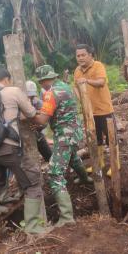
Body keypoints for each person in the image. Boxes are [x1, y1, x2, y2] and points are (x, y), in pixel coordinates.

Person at [0, 68, 51, 235]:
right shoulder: (13, 90)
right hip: (7, 148)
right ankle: (34, 228)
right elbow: (31, 113)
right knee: (32, 182)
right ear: (7, 79)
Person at [34, 65, 91, 227]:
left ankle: (67, 217)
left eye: (41, 81)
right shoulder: (64, 86)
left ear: (45, 79)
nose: (41, 85)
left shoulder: (51, 94)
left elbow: (42, 120)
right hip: (74, 132)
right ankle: (85, 178)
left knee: (54, 172)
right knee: (73, 157)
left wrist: (29, 116)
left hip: (64, 135)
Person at [74, 44, 119, 177]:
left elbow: (101, 82)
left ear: (90, 55)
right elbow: (76, 86)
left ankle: (116, 165)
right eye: (78, 55)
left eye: (83, 55)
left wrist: (86, 81)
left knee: (111, 138)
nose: (80, 58)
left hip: (104, 110)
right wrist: (81, 99)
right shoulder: (77, 70)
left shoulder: (98, 66)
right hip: (89, 113)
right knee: (95, 138)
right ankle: (99, 163)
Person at [26, 80, 52, 162]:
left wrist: (39, 126)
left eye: (32, 96)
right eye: (28, 96)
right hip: (24, 137)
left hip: (37, 134)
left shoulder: (38, 102)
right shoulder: (19, 102)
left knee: (49, 156)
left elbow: (45, 121)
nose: (30, 98)